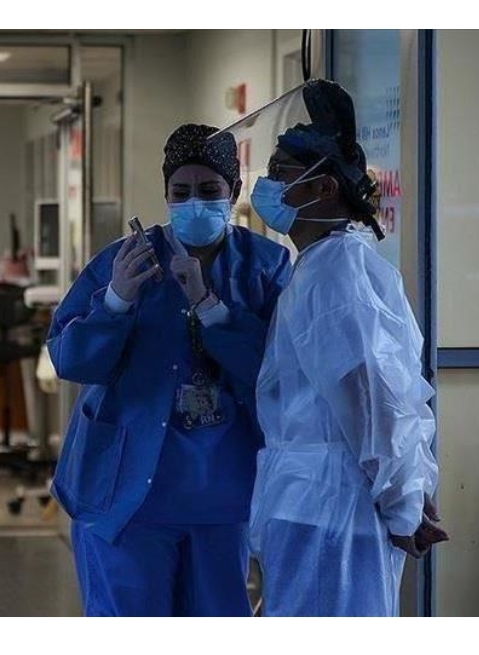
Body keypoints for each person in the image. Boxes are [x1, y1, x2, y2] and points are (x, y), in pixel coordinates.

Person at [47, 123, 292, 616]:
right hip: (125, 489)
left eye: (209, 190)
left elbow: (280, 373)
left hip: (221, 490)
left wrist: (210, 306)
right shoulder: (124, 262)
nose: (194, 202)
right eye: (181, 192)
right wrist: (116, 301)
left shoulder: (264, 267)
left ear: (234, 192)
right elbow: (70, 360)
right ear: (165, 195)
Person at [247, 80, 449, 616]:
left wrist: (404, 503)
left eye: (281, 173)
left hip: (328, 510)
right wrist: (407, 490)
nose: (268, 185)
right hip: (316, 506)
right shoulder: (325, 267)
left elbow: (373, 395)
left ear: (323, 187)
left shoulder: (336, 274)